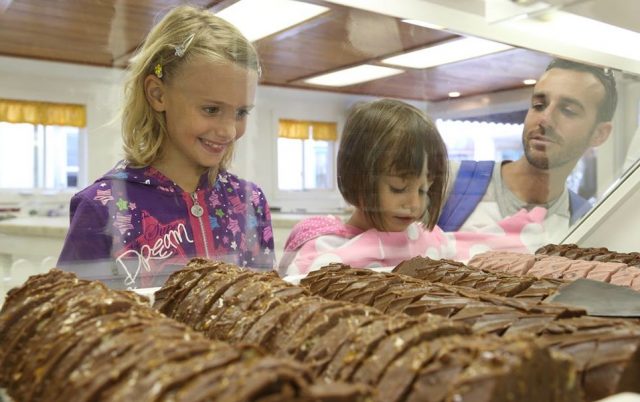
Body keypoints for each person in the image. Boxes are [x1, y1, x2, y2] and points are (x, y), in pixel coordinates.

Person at [57, 5, 274, 289]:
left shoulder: (250, 202)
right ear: (158, 94)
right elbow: (70, 319)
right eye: (211, 109)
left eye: (242, 113)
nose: (229, 130)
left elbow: (271, 306)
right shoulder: (102, 206)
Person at [280, 99, 547, 276]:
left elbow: (469, 251)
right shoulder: (321, 246)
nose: (415, 204)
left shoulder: (425, 238)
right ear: (356, 179)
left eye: (424, 189)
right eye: (398, 187)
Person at [438, 58, 618, 239]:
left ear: (599, 134)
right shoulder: (446, 183)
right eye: (539, 105)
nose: (545, 120)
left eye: (568, 110)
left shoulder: (585, 223)